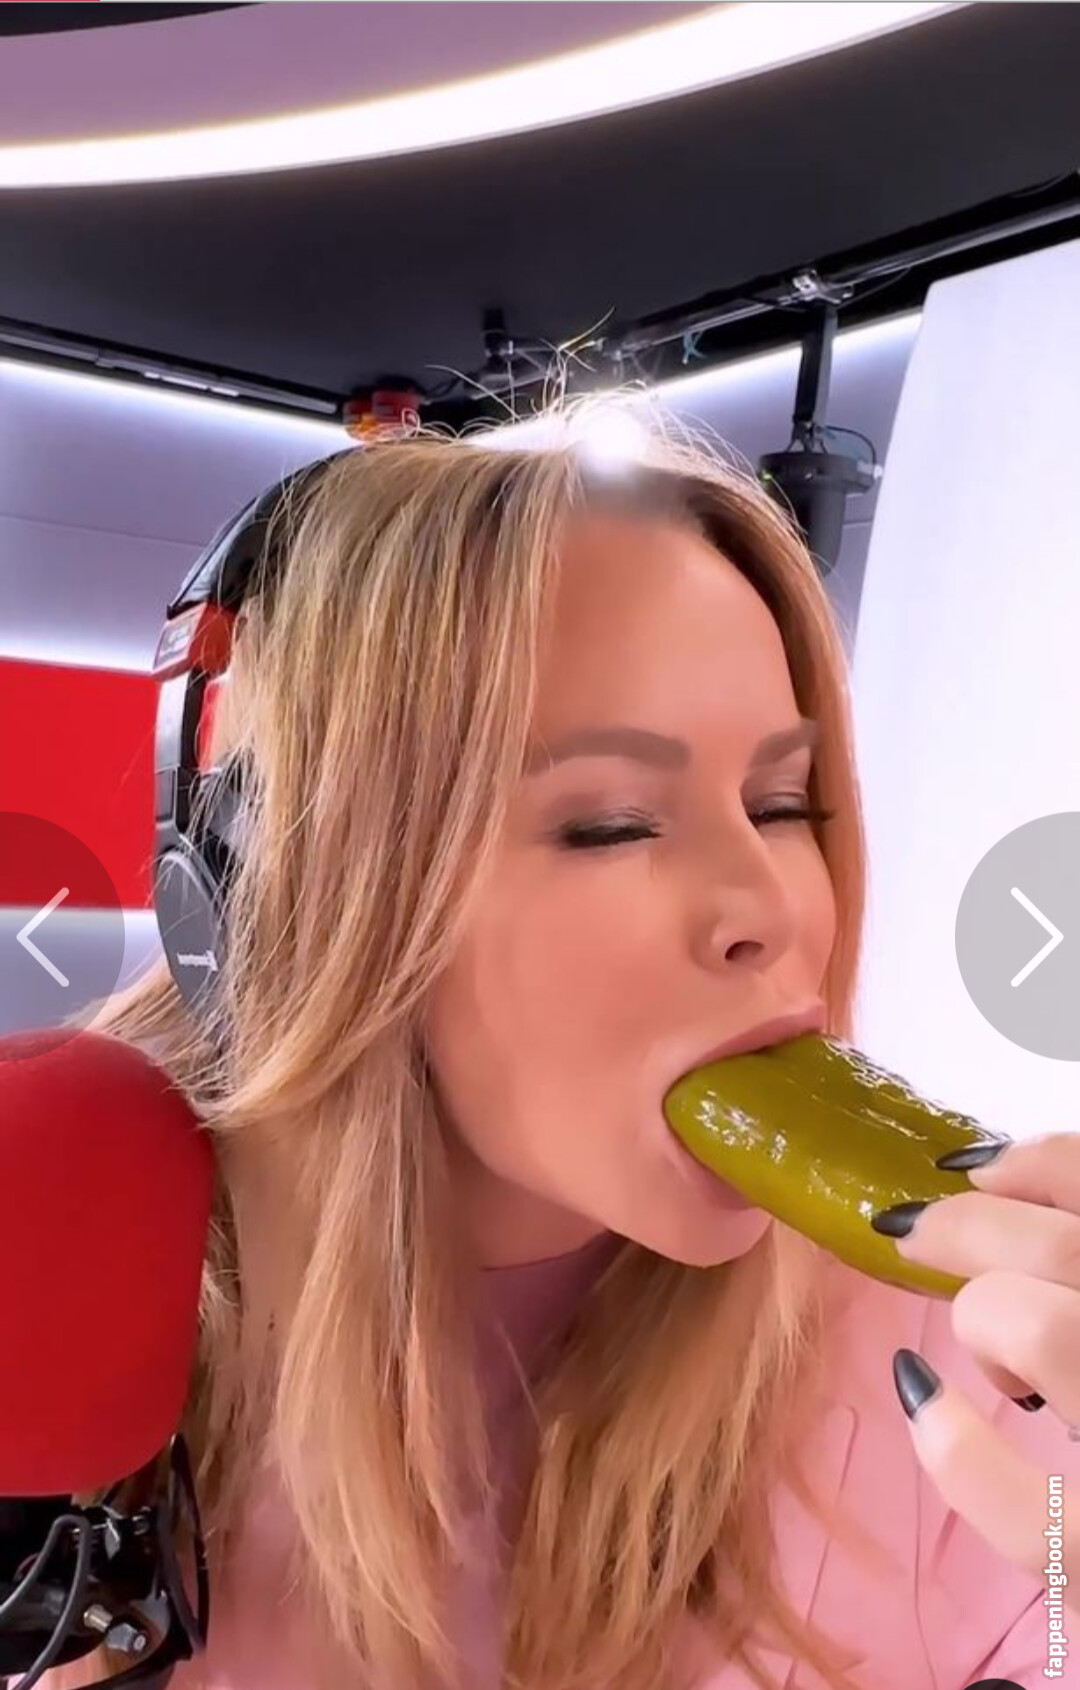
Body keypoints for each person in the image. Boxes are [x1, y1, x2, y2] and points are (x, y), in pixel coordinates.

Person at [55, 408, 1080, 1690]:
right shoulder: (54, 1295)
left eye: (783, 803)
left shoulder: (969, 1363)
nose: (773, 907)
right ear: (287, 907)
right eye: (610, 824)